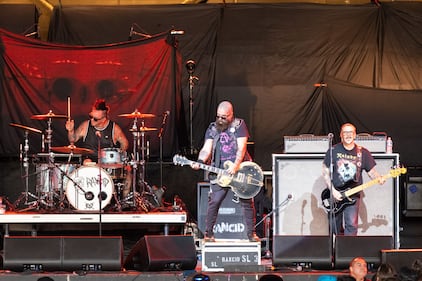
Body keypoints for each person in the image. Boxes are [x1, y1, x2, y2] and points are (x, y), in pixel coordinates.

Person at [192, 101, 259, 242]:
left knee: (246, 202)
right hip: (220, 171)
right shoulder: (213, 128)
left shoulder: (239, 125)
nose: (221, 120)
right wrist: (200, 161)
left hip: (239, 169)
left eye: (224, 117)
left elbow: (242, 148)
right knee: (214, 201)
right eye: (218, 116)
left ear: (231, 115)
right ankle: (209, 234)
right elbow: (206, 149)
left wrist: (235, 166)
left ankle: (251, 234)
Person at [322, 123, 386, 235]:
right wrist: (333, 191)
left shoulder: (363, 153)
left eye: (350, 132)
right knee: (334, 227)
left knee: (351, 225)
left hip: (353, 195)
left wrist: (379, 178)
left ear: (355, 135)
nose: (348, 135)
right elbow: (325, 172)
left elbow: (371, 172)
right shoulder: (333, 151)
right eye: (345, 132)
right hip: (335, 194)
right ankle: (334, 251)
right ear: (341, 135)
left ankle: (348, 252)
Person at [65, 99, 131, 197]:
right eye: (91, 117)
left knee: (128, 170)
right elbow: (73, 139)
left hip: (107, 162)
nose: (92, 120)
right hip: (89, 159)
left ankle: (124, 201)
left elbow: (125, 144)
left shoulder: (114, 128)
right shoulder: (85, 126)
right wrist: (70, 131)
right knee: (86, 162)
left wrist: (119, 155)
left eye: (95, 119)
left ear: (103, 118)